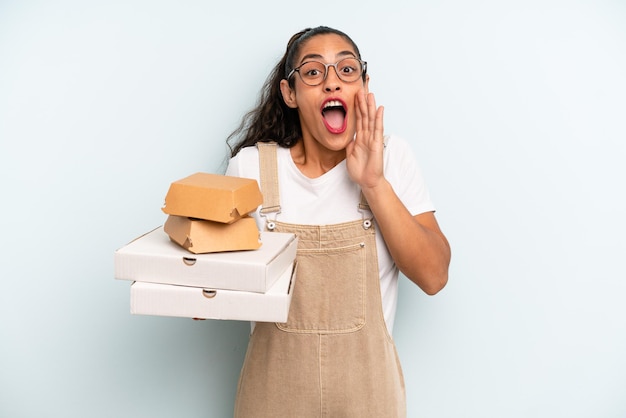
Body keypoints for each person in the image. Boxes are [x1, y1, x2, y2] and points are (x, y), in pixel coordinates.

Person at [224, 25, 451, 418]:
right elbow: (214, 286)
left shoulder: (392, 159)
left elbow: (434, 276)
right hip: (271, 401)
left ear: (363, 85)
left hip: (369, 401)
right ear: (289, 93)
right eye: (313, 72)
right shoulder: (250, 168)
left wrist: (374, 184)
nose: (332, 83)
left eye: (346, 70)